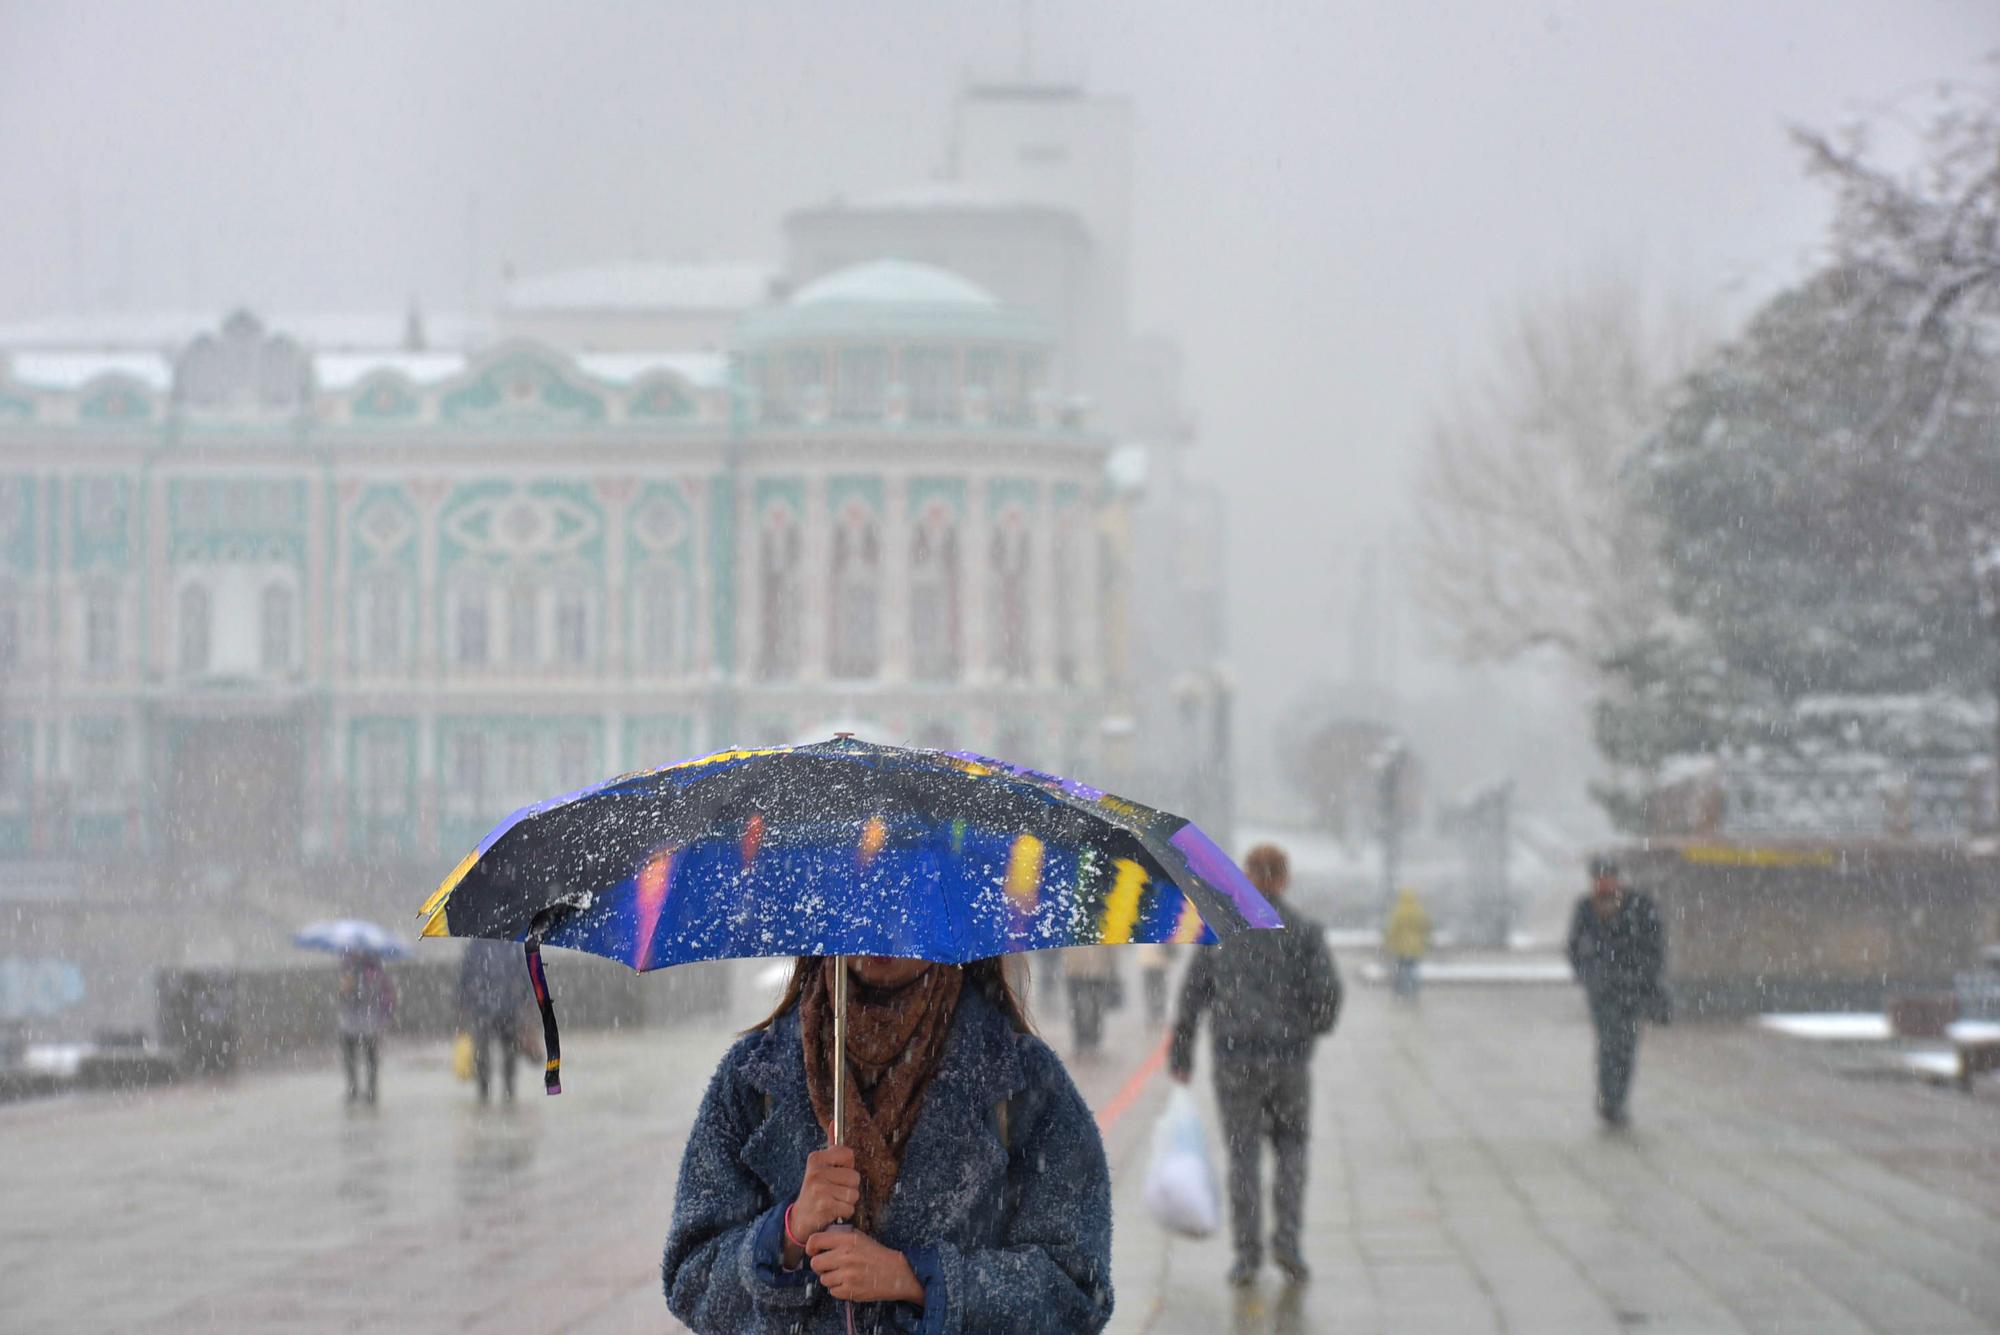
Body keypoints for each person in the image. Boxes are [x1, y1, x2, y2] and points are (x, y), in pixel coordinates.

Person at [662, 954, 1113, 1333]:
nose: (880, 926)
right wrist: (788, 1233)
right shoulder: (753, 1079)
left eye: (905, 899)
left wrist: (916, 1278)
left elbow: (1076, 1290)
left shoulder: (1022, 1080)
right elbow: (690, 1278)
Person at [1170, 843, 1341, 1288]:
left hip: (1235, 1059)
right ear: (1285, 879)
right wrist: (1306, 1029)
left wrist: (1182, 1051)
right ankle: (1288, 1242)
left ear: (1244, 876)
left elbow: (1193, 994)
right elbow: (1327, 996)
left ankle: (1247, 1255)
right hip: (1287, 1061)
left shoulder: (1222, 930)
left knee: (1242, 1154)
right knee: (1291, 1149)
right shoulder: (1303, 932)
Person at [1566, 857, 1666, 1128]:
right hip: (1602, 991)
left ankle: (1617, 1100)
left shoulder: (1639, 905)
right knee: (1609, 1043)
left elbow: (1654, 944)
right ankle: (1610, 1100)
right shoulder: (1586, 908)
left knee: (1625, 1046)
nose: (1602, 883)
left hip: (1631, 988)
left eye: (1606, 877)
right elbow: (1574, 945)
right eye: (1598, 878)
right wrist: (1587, 974)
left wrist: (1645, 975)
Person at [457, 937, 527, 1104]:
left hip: (504, 1009)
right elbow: (465, 978)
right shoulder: (478, 947)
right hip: (487, 1008)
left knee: (508, 1054)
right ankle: (488, 1093)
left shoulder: (509, 945)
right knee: (484, 1055)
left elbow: (523, 976)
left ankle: (504, 1092)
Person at [336, 950, 394, 1105]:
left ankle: (367, 1090)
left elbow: (382, 994)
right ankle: (358, 1088)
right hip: (357, 1022)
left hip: (365, 1022)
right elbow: (343, 996)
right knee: (357, 1056)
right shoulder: (350, 967)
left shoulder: (372, 970)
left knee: (368, 1057)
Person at [1060, 945, 1119, 1057]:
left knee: (1078, 1005)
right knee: (1095, 1004)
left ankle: (1082, 1040)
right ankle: (1091, 1040)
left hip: (1075, 966)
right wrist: (1112, 965)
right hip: (1095, 966)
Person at [1383, 886, 1433, 1001]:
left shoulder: (1398, 911)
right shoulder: (1419, 910)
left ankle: (1401, 990)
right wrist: (1426, 941)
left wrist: (1388, 943)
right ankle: (1413, 989)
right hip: (1416, 946)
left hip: (1401, 946)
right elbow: (1426, 927)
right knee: (1413, 968)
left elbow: (1392, 929)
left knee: (1401, 968)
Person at [1134, 943, 1171, 1026]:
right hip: (1155, 963)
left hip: (1152, 963)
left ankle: (1155, 1017)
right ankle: (1156, 1016)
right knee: (1156, 992)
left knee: (1153, 992)